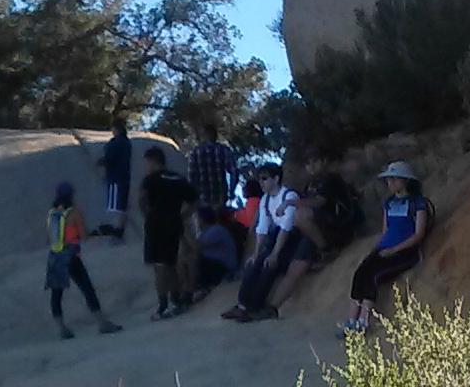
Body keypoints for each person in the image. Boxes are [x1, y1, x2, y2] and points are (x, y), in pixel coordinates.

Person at [339, 163, 433, 335]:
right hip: (384, 248)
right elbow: (385, 230)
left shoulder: (417, 203)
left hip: (405, 251)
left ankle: (363, 321)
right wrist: (378, 248)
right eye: (389, 179)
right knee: (360, 272)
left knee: (374, 275)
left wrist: (395, 249)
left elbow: (419, 234)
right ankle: (351, 320)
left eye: (394, 179)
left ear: (405, 181)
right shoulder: (389, 203)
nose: (390, 182)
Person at [228, 167, 320, 322]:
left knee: (269, 266)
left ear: (276, 179)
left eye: (265, 178)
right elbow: (262, 228)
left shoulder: (288, 195)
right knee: (254, 263)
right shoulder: (265, 200)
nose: (261, 183)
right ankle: (242, 305)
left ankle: (255, 307)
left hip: (292, 239)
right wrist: (256, 253)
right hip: (276, 237)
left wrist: (275, 254)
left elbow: (287, 226)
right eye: (260, 179)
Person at [45, 182, 122, 341]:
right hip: (71, 255)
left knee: (56, 294)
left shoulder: (52, 213)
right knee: (86, 288)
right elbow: (84, 235)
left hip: (55, 255)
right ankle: (102, 323)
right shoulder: (74, 213)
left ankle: (62, 328)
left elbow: (50, 237)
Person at [137, 146, 195, 318]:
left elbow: (141, 199)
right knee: (171, 262)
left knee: (159, 265)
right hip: (174, 223)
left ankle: (163, 304)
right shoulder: (178, 178)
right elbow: (194, 202)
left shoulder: (150, 179)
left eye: (147, 162)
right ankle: (176, 299)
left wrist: (147, 214)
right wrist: (182, 215)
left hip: (156, 224)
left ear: (152, 161)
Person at [186, 119, 242, 222]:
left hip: (202, 198)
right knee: (220, 226)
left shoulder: (195, 152)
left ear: (204, 135)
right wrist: (231, 191)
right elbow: (234, 172)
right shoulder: (224, 150)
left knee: (204, 230)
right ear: (215, 135)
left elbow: (191, 177)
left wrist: (193, 198)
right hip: (220, 197)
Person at [97, 119, 133, 238]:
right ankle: (119, 227)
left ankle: (116, 227)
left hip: (115, 177)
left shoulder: (117, 142)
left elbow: (110, 158)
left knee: (115, 203)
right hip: (124, 176)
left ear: (116, 129)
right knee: (121, 203)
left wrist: (101, 161)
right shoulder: (127, 142)